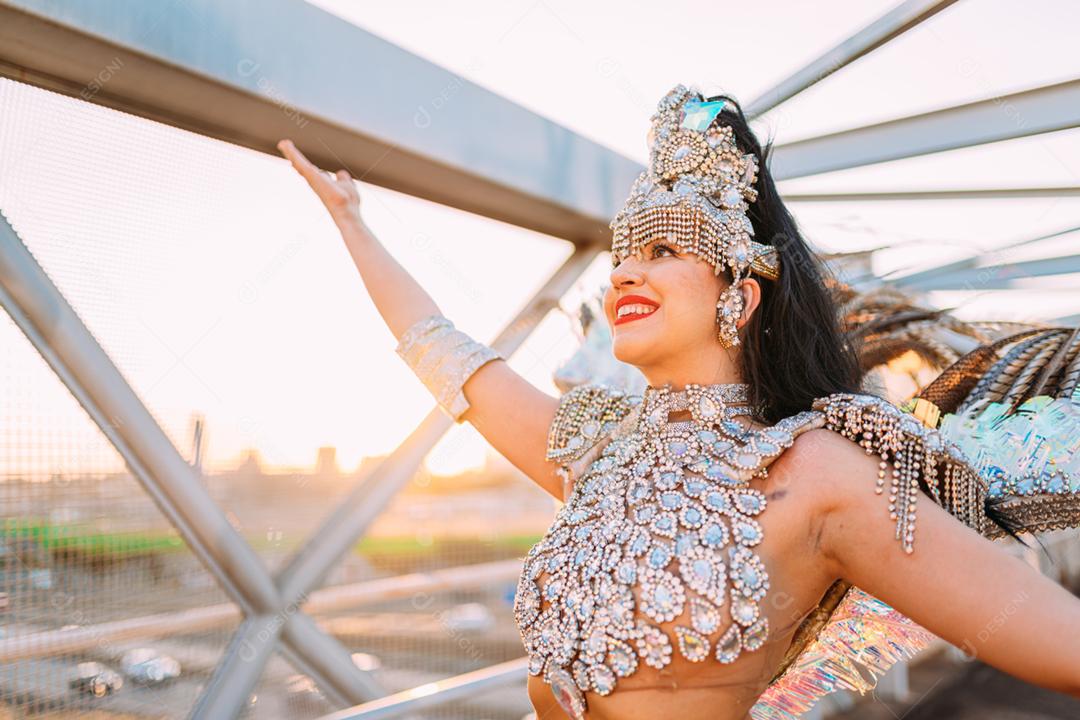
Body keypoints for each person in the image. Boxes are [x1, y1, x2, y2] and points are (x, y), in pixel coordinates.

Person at [276, 84, 1080, 720]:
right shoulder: (598, 447)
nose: (624, 273)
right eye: (624, 255)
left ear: (740, 291)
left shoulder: (818, 472)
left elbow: (1056, 642)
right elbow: (445, 351)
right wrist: (353, 223)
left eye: (663, 250)